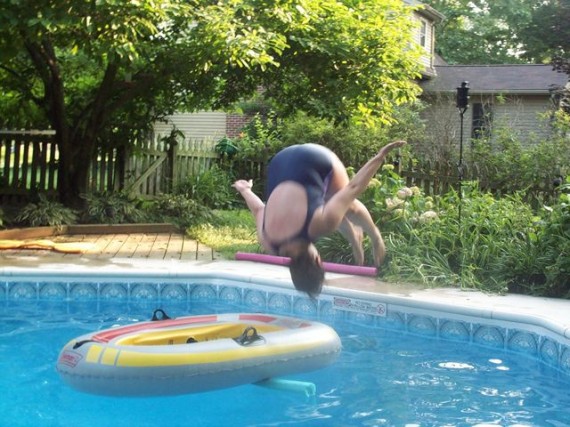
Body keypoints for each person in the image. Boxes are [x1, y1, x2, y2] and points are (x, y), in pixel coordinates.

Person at [233, 140, 406, 298]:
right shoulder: (268, 242)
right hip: (280, 161)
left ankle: (373, 237)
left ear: (318, 260)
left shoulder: (319, 225)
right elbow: (258, 209)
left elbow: (354, 187)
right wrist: (245, 190)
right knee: (332, 207)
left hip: (316, 157)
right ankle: (355, 238)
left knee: (346, 203)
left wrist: (380, 157)